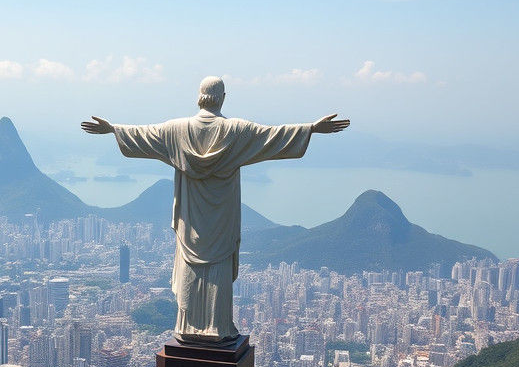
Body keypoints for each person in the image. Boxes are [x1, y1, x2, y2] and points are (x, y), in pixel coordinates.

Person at [81, 76, 349, 344]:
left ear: (199, 96)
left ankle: (187, 326)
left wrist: (114, 129)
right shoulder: (237, 131)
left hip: (191, 221)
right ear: (222, 97)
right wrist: (310, 128)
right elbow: (273, 135)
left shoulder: (176, 130)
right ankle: (217, 326)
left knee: (191, 269)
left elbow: (143, 133)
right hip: (222, 220)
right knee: (218, 268)